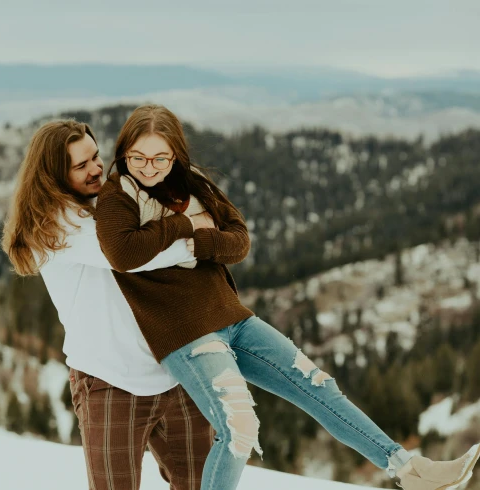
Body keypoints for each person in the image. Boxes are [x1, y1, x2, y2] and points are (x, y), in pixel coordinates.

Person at [94, 104, 480, 490]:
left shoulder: (193, 183)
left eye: (160, 157)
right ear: (124, 152)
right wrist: (184, 224)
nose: (148, 167)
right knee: (238, 427)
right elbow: (123, 254)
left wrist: (198, 241)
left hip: (232, 317)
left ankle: (409, 470)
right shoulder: (117, 196)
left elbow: (239, 241)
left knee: (316, 385)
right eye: (138, 157)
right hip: (185, 333)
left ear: (176, 154)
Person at [1, 120, 214, 490]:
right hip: (110, 380)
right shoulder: (55, 225)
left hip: (173, 369)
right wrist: (194, 231)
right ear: (53, 174)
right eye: (81, 165)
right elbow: (131, 255)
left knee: (201, 484)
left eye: (96, 157)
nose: (96, 168)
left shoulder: (112, 202)